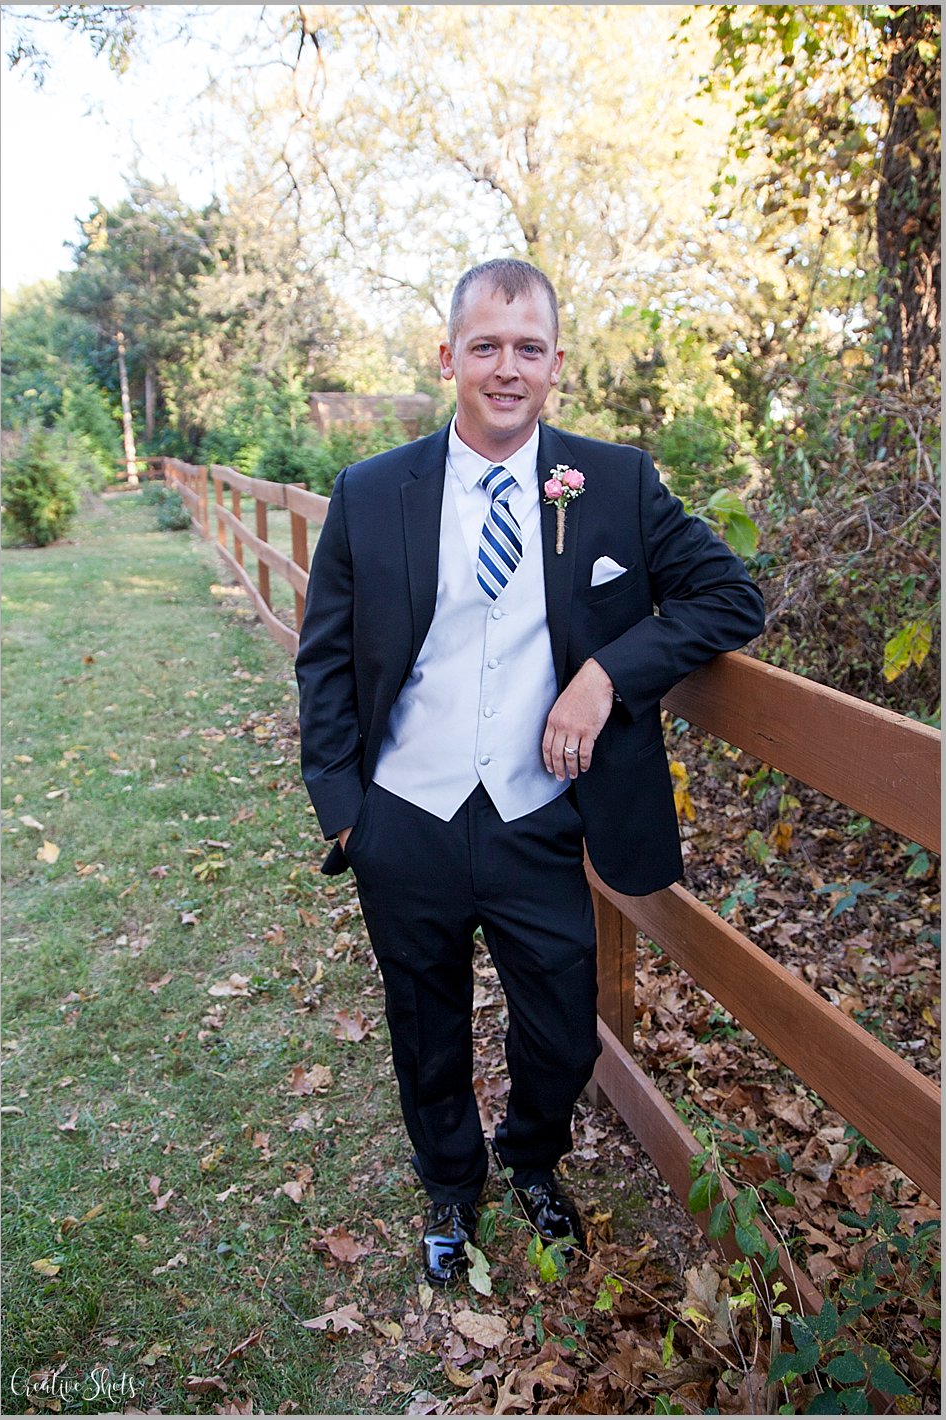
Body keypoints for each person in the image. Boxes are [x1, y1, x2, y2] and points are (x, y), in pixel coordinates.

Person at [295, 258, 765, 1285]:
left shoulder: (615, 482)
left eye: (528, 348)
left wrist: (605, 674)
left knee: (560, 1028)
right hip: (404, 814)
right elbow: (324, 657)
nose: (506, 368)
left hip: (537, 814)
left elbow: (731, 599)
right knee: (424, 1024)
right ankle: (449, 1183)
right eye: (485, 347)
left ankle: (532, 1158)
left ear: (556, 363)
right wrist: (344, 811)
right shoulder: (370, 492)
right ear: (448, 357)